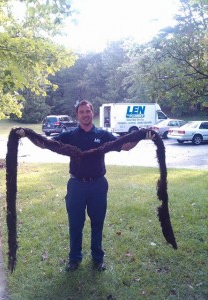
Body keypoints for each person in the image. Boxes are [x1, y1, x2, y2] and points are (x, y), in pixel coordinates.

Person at [51, 100, 154, 272]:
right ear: (77, 115)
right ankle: (74, 258)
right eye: (81, 112)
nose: (85, 114)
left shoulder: (103, 135)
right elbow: (47, 144)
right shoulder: (70, 136)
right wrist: (26, 134)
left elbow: (125, 146)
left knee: (97, 222)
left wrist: (141, 136)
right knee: (75, 223)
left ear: (92, 113)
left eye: (88, 111)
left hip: (98, 185)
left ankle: (98, 258)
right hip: (76, 185)